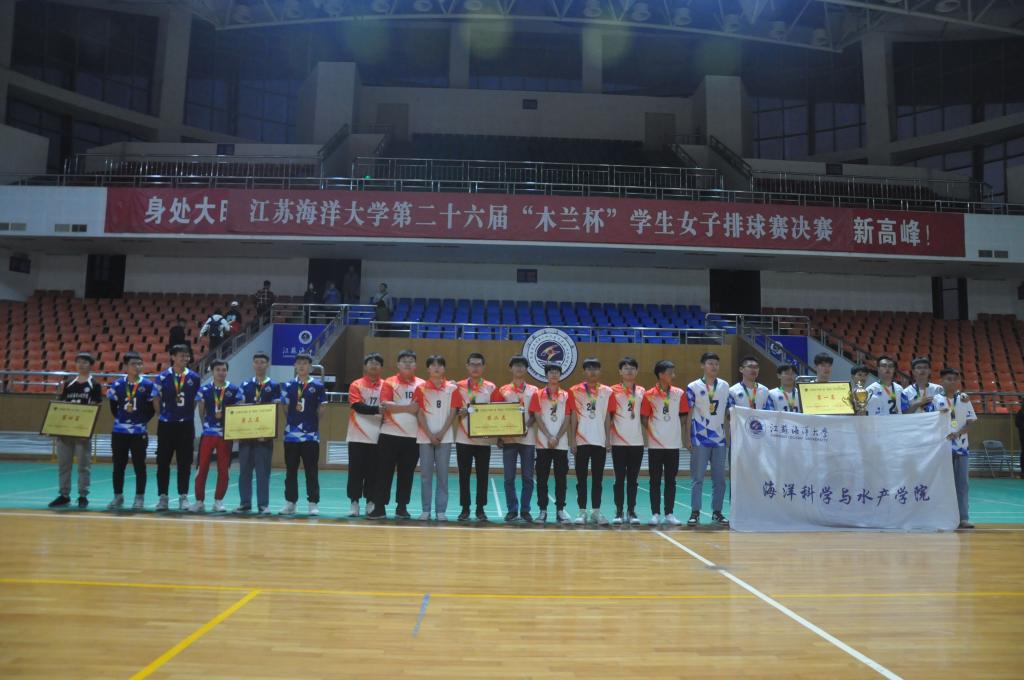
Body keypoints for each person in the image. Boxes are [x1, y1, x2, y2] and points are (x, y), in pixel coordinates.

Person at [368, 349, 425, 520]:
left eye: (411, 361)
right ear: (398, 365)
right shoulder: (390, 382)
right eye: (404, 361)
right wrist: (408, 408)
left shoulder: (422, 384)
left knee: (406, 474)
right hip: (389, 435)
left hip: (413, 437)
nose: (407, 364)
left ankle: (402, 507)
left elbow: (421, 408)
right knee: (383, 472)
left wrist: (400, 407)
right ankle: (379, 507)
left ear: (415, 365)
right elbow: (386, 405)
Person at [48, 352, 103, 509]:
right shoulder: (69, 383)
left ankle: (83, 495)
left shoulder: (94, 384)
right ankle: (64, 495)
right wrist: (56, 427)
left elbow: (97, 407)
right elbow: (61, 406)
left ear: (90, 365)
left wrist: (88, 429)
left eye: (85, 362)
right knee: (64, 465)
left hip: (82, 432)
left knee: (83, 466)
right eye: (78, 362)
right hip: (66, 431)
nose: (81, 365)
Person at [685, 352, 734, 527]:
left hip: (719, 439)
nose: (714, 366)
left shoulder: (725, 386)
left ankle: (717, 512)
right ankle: (695, 512)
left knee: (719, 479)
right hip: (699, 439)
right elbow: (689, 414)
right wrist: (687, 438)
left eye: (716, 364)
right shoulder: (692, 386)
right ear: (702, 365)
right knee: (697, 478)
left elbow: (730, 412)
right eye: (710, 363)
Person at [106, 351, 157, 510]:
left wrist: (141, 422)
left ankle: (139, 497)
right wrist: (122, 421)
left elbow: (151, 409)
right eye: (134, 364)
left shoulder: (148, 385)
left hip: (139, 433)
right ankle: (118, 496)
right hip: (119, 432)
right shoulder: (117, 385)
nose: (137, 367)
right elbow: (113, 407)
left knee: (139, 465)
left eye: (140, 364)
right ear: (126, 366)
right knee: (118, 466)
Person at [154, 344, 201, 511]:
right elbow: (156, 398)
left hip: (186, 425)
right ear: (173, 357)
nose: (185, 358)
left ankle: (183, 496)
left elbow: (195, 400)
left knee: (185, 462)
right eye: (181, 355)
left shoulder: (194, 377)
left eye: (187, 355)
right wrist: (161, 415)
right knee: (163, 462)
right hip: (166, 425)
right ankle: (163, 497)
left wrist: (186, 414)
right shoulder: (162, 377)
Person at [454, 353, 501, 521]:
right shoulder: (457, 386)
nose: (475, 368)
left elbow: (496, 410)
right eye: (472, 364)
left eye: (478, 364)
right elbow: (452, 409)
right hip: (463, 439)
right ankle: (465, 509)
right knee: (463, 476)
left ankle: (480, 509)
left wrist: (498, 436)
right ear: (467, 366)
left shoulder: (491, 387)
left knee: (483, 476)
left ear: (483, 367)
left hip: (484, 440)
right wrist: (458, 411)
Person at [414, 355, 461, 521]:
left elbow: (453, 413)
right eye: (433, 365)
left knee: (443, 476)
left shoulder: (452, 389)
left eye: (440, 365)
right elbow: (419, 413)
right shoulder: (420, 388)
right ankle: (425, 510)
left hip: (445, 438)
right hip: (425, 438)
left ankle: (441, 511)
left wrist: (441, 434)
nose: (436, 368)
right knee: (425, 476)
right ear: (428, 369)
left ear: (444, 369)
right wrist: (429, 434)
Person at [642, 360, 689, 526]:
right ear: (661, 374)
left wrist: (671, 428)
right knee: (654, 480)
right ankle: (655, 513)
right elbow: (644, 418)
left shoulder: (679, 393)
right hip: (655, 445)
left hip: (673, 444)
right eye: (670, 373)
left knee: (671, 480)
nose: (673, 376)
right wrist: (656, 431)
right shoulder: (648, 395)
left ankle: (669, 513)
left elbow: (684, 416)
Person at [279, 353, 327, 516]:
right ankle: (290, 503)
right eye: (298, 363)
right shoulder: (288, 385)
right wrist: (293, 422)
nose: (301, 366)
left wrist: (312, 423)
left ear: (310, 367)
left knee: (311, 470)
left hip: (311, 436)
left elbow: (322, 407)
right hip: (291, 436)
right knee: (291, 470)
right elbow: (285, 407)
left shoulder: (318, 386)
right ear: (295, 366)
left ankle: (313, 503)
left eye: (305, 363)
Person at [191, 360, 242, 513]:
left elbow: (237, 412)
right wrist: (207, 427)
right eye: (218, 369)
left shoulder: (234, 390)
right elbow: (201, 412)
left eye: (224, 370)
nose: (221, 372)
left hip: (225, 435)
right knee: (202, 468)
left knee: (224, 469)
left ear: (227, 371)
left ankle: (218, 501)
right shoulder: (204, 389)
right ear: (212, 371)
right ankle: (199, 501)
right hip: (208, 434)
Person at [570, 357, 614, 526]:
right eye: (589, 368)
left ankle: (596, 511)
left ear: (600, 371)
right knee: (581, 479)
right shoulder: (575, 391)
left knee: (598, 480)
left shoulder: (607, 391)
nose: (592, 372)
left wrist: (608, 439)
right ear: (584, 371)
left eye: (595, 368)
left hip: (599, 441)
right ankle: (582, 512)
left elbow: (607, 416)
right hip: (581, 441)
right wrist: (572, 440)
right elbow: (573, 416)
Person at [496, 355, 539, 523]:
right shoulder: (503, 390)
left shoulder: (534, 390)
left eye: (522, 365)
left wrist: (525, 427)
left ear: (527, 369)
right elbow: (498, 414)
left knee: (528, 477)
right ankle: (512, 510)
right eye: (516, 365)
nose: (519, 368)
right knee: (509, 478)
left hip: (528, 440)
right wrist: (499, 435)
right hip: (509, 440)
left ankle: (525, 510)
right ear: (511, 368)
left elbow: (534, 414)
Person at [237, 352, 280, 514]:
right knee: (244, 472)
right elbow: (239, 407)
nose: (259, 365)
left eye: (262, 362)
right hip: (246, 437)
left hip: (264, 437)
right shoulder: (245, 384)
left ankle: (263, 505)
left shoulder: (274, 386)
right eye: (256, 362)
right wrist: (239, 432)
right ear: (253, 364)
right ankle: (245, 503)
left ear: (267, 364)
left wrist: (268, 433)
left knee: (263, 473)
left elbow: (275, 410)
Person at [531, 364, 575, 524]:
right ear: (546, 375)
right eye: (551, 372)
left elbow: (568, 417)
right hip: (543, 444)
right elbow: (537, 417)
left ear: (560, 375)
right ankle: (542, 511)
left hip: (561, 445)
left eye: (557, 372)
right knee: (542, 479)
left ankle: (560, 511)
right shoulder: (538, 394)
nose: (554, 374)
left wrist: (556, 437)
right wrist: (549, 436)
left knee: (561, 480)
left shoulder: (567, 395)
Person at [346, 353, 384, 517]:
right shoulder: (356, 384)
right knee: (355, 471)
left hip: (378, 436)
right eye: (371, 363)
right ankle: (354, 502)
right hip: (357, 435)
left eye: (377, 363)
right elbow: (357, 406)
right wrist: (377, 410)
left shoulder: (387, 386)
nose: (374, 365)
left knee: (373, 472)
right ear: (365, 366)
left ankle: (370, 501)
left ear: (381, 367)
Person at [609, 356, 646, 525]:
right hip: (618, 442)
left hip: (637, 442)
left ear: (636, 371)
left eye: (632, 368)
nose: (629, 371)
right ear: (620, 371)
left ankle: (631, 511)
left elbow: (645, 416)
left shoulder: (642, 391)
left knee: (633, 480)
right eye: (626, 368)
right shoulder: (612, 391)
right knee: (619, 479)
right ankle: (618, 511)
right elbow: (608, 416)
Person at [939, 368, 976, 530]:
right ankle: (943, 517)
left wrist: (958, 433)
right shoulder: (936, 400)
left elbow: (970, 422)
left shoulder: (964, 400)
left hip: (961, 448)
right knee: (942, 484)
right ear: (941, 381)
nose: (952, 382)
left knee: (962, 484)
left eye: (955, 379)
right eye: (948, 379)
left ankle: (963, 518)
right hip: (941, 449)